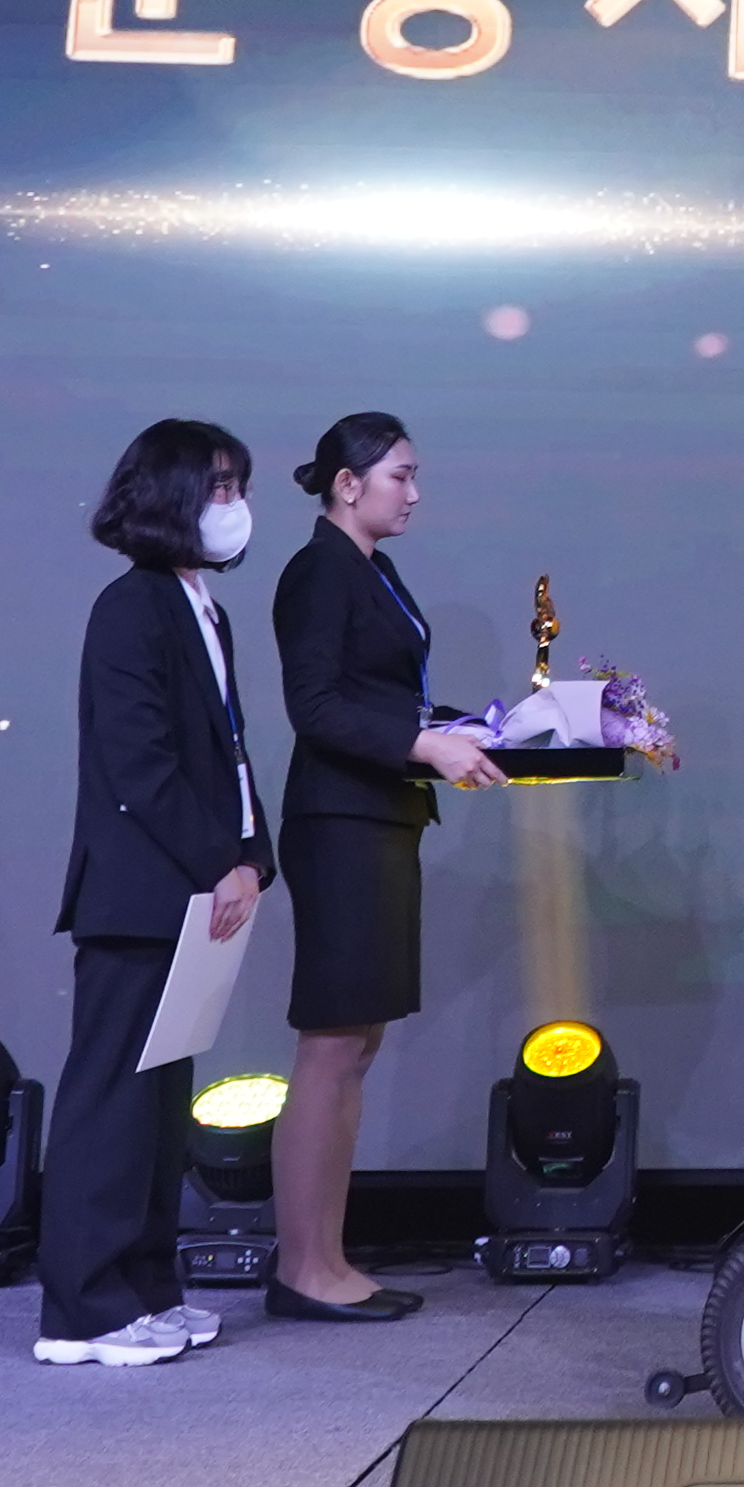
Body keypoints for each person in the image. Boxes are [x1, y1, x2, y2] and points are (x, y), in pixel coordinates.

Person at [36, 418, 275, 1369]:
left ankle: (143, 1291)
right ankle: (83, 1310)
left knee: (160, 1107)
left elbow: (230, 755)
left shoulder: (201, 607)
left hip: (196, 893)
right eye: (218, 487)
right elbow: (141, 765)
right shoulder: (130, 607)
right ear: (170, 496)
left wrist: (253, 857)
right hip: (140, 895)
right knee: (112, 1104)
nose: (234, 505)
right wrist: (221, 860)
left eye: (237, 487)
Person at [264, 412, 509, 1322]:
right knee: (331, 1045)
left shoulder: (372, 568)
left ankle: (327, 1257)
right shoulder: (318, 570)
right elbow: (316, 707)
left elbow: (384, 698)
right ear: (347, 483)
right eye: (400, 475)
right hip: (339, 823)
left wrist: (475, 730)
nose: (413, 492)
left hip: (379, 817)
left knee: (355, 1044)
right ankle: (304, 1268)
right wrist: (424, 744)